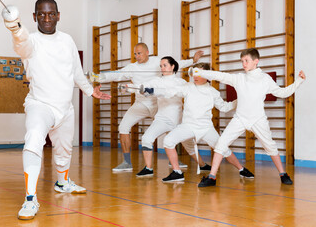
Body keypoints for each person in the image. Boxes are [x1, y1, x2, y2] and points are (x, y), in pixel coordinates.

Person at [3, 0, 111, 220]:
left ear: (58, 15)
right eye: (41, 14)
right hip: (40, 105)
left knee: (64, 151)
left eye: (51, 13)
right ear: (34, 17)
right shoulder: (30, 41)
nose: (46, 18)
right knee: (33, 138)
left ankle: (62, 183)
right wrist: (14, 26)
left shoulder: (68, 40)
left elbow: (77, 73)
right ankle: (31, 199)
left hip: (65, 107)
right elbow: (20, 42)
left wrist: (91, 91)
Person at [191, 48, 306, 187]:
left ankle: (283, 174)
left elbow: (283, 93)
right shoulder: (239, 78)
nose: (244, 64)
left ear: (256, 61)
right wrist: (198, 71)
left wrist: (299, 81)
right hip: (240, 119)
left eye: (246, 61)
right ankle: (212, 177)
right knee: (220, 145)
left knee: (270, 147)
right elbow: (219, 75)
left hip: (258, 119)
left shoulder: (265, 79)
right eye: (242, 61)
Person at [92, 43, 203, 172]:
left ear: (147, 52)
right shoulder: (132, 67)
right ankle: (127, 162)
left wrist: (193, 61)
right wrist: (96, 77)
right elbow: (116, 74)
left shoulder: (158, 62)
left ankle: (174, 160)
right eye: (135, 54)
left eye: (139, 53)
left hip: (158, 103)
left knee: (171, 127)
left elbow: (176, 63)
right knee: (123, 127)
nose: (137, 56)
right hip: (141, 104)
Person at [143, 63, 253, 182]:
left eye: (198, 73)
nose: (195, 76)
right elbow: (170, 91)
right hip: (188, 126)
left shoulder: (213, 92)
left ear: (207, 75)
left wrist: (240, 101)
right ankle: (177, 172)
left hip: (206, 128)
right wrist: (152, 91)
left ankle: (241, 169)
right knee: (168, 141)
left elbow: (224, 107)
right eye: (194, 72)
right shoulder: (188, 87)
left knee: (223, 149)